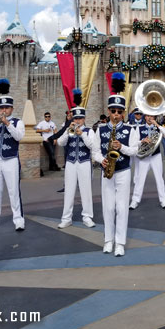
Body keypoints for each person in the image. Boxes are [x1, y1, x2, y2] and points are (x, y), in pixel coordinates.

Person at [92, 73, 139, 256]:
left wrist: (122, 147)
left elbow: (134, 151)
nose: (116, 115)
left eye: (120, 112)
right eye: (113, 111)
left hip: (123, 171)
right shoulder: (102, 128)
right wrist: (99, 159)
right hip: (107, 171)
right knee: (108, 207)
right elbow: (95, 150)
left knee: (121, 207)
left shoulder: (130, 129)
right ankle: (108, 240)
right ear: (109, 111)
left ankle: (120, 242)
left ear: (123, 113)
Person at [0, 79, 26, 231]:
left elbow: (19, 137)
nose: (4, 110)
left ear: (12, 108)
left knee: (13, 190)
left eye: (7, 107)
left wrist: (7, 123)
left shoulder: (17, 122)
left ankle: (18, 219)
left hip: (10, 159)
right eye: (2, 107)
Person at [57, 90, 96, 229]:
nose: (77, 121)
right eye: (75, 119)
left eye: (79, 119)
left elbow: (92, 145)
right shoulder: (69, 129)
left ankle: (87, 217)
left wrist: (82, 134)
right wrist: (68, 131)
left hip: (84, 162)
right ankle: (66, 218)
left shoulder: (89, 131)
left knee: (86, 190)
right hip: (71, 162)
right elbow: (60, 143)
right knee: (69, 190)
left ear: (84, 119)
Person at [130, 113, 165, 209]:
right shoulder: (139, 128)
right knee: (140, 179)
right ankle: (135, 200)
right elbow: (133, 143)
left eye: (152, 116)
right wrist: (142, 141)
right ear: (145, 117)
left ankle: (163, 200)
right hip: (144, 157)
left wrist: (157, 124)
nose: (149, 118)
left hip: (155, 156)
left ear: (154, 118)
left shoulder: (158, 128)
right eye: (148, 116)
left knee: (159, 178)